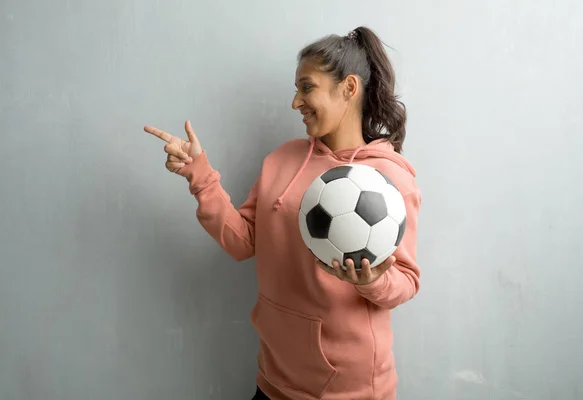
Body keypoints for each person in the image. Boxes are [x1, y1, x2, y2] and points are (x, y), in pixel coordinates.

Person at [145, 26, 421, 400]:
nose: (295, 102)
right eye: (296, 89)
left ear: (349, 88)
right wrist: (200, 177)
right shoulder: (283, 159)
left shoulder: (387, 178)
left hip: (348, 391)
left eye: (307, 87)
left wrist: (369, 281)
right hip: (273, 378)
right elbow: (242, 242)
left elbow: (405, 282)